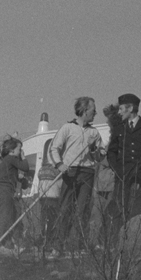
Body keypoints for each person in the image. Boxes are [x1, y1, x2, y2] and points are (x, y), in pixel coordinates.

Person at [50, 96, 104, 252]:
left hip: (87, 172)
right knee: (65, 208)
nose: (96, 112)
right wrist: (59, 164)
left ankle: (79, 245)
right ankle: (58, 245)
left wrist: (95, 149)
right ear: (85, 110)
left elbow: (99, 156)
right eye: (93, 109)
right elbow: (53, 148)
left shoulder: (94, 132)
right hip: (70, 171)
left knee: (83, 210)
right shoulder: (67, 128)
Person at [106, 93, 141, 237]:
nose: (119, 112)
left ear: (130, 108)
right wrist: (116, 168)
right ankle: (114, 240)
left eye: (121, 108)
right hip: (123, 173)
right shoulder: (119, 129)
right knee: (118, 206)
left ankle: (135, 237)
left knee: (138, 207)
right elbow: (111, 153)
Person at [0, 138, 30, 252]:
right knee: (5, 215)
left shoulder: (6, 162)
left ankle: (6, 243)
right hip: (6, 189)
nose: (21, 151)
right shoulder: (11, 158)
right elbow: (25, 167)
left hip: (4, 189)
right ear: (11, 150)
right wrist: (23, 157)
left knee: (9, 215)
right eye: (19, 149)